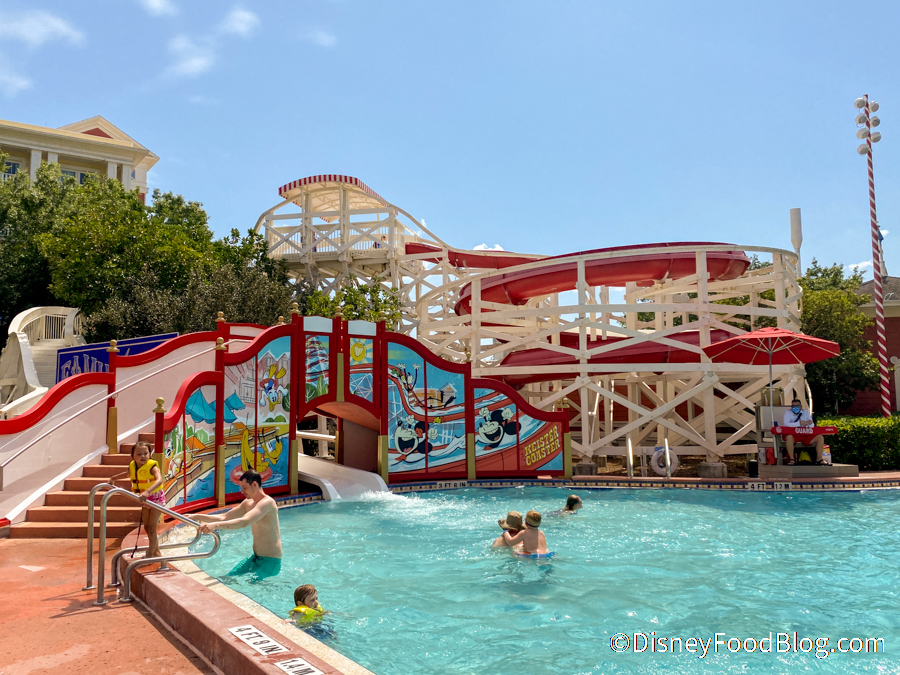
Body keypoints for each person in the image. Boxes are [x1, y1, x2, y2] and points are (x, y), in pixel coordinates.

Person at [195, 470, 283, 578]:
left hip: (270, 561)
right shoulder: (248, 503)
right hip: (255, 557)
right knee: (228, 578)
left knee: (251, 587)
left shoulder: (267, 503)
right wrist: (196, 517)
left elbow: (244, 522)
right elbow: (224, 517)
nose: (241, 491)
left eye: (244, 487)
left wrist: (215, 525)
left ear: (254, 484)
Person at [108, 440, 165, 558]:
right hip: (144, 500)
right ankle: (156, 552)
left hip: (155, 498)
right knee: (146, 526)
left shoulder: (152, 466)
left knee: (152, 527)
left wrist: (147, 491)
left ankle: (151, 554)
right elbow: (127, 474)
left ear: (149, 454)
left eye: (145, 453)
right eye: (139, 454)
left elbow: (159, 479)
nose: (143, 456)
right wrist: (113, 478)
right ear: (133, 456)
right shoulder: (133, 466)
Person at [782, 398, 826, 465]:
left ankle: (819, 459)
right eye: (793, 406)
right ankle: (792, 459)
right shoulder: (788, 413)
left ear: (801, 406)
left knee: (820, 437)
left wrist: (810, 423)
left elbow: (812, 425)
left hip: (805, 434)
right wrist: (799, 424)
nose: (795, 408)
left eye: (797, 406)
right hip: (794, 435)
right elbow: (786, 424)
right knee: (789, 437)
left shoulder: (805, 412)